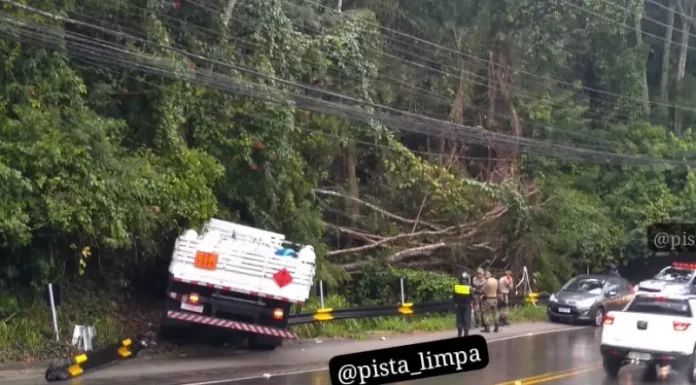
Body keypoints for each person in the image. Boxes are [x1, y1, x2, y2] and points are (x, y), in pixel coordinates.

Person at [453, 272, 473, 337]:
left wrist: (455, 303)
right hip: (467, 305)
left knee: (459, 318)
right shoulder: (469, 288)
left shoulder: (456, 287)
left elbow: (454, 296)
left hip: (459, 305)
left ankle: (459, 333)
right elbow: (472, 297)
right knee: (466, 318)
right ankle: (466, 333)